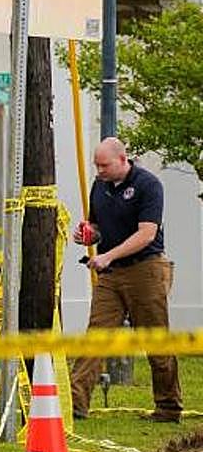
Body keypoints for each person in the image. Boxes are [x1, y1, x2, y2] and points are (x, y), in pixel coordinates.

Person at [69, 138, 181, 422]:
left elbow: (147, 234)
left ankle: (168, 407)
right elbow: (96, 227)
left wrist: (107, 256)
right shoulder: (99, 186)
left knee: (155, 339)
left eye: (104, 165)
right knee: (96, 335)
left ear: (123, 159)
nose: (99, 171)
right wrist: (88, 235)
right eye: (96, 165)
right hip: (111, 273)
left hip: (146, 269)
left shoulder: (148, 185)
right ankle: (75, 404)